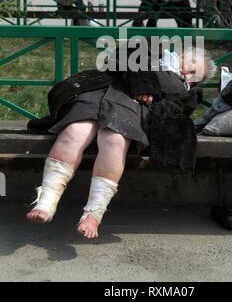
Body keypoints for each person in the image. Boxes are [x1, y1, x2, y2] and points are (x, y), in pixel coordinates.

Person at [26, 44, 216, 239]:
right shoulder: (154, 49)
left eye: (195, 77)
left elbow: (174, 108)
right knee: (75, 131)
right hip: (97, 94)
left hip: (131, 110)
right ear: (183, 55)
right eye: (192, 67)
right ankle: (47, 201)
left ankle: (93, 214)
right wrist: (142, 82)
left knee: (114, 140)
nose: (188, 75)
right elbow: (123, 54)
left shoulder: (185, 91)